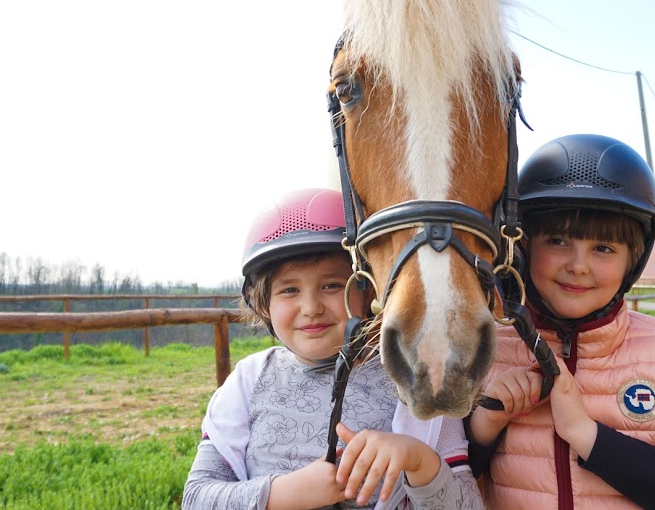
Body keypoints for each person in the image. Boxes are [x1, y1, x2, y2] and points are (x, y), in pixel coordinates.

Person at [467, 134, 655, 509]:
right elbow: (439, 484)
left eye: (603, 248)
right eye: (558, 241)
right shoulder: (484, 347)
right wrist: (483, 425)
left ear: (633, 259)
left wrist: (587, 436)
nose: (578, 265)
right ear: (523, 246)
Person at [182, 188, 484, 510]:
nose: (310, 307)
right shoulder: (248, 381)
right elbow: (197, 497)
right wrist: (280, 494)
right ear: (264, 304)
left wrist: (419, 461)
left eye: (331, 285)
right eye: (289, 290)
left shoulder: (415, 379)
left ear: (368, 290)